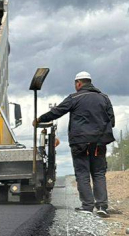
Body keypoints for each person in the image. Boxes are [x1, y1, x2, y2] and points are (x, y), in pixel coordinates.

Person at [34, 71, 115, 217]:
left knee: (83, 173)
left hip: (80, 142)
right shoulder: (104, 98)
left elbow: (57, 112)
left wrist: (40, 119)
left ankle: (87, 206)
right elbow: (112, 120)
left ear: (78, 83)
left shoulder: (75, 97)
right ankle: (102, 206)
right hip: (99, 142)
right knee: (98, 173)